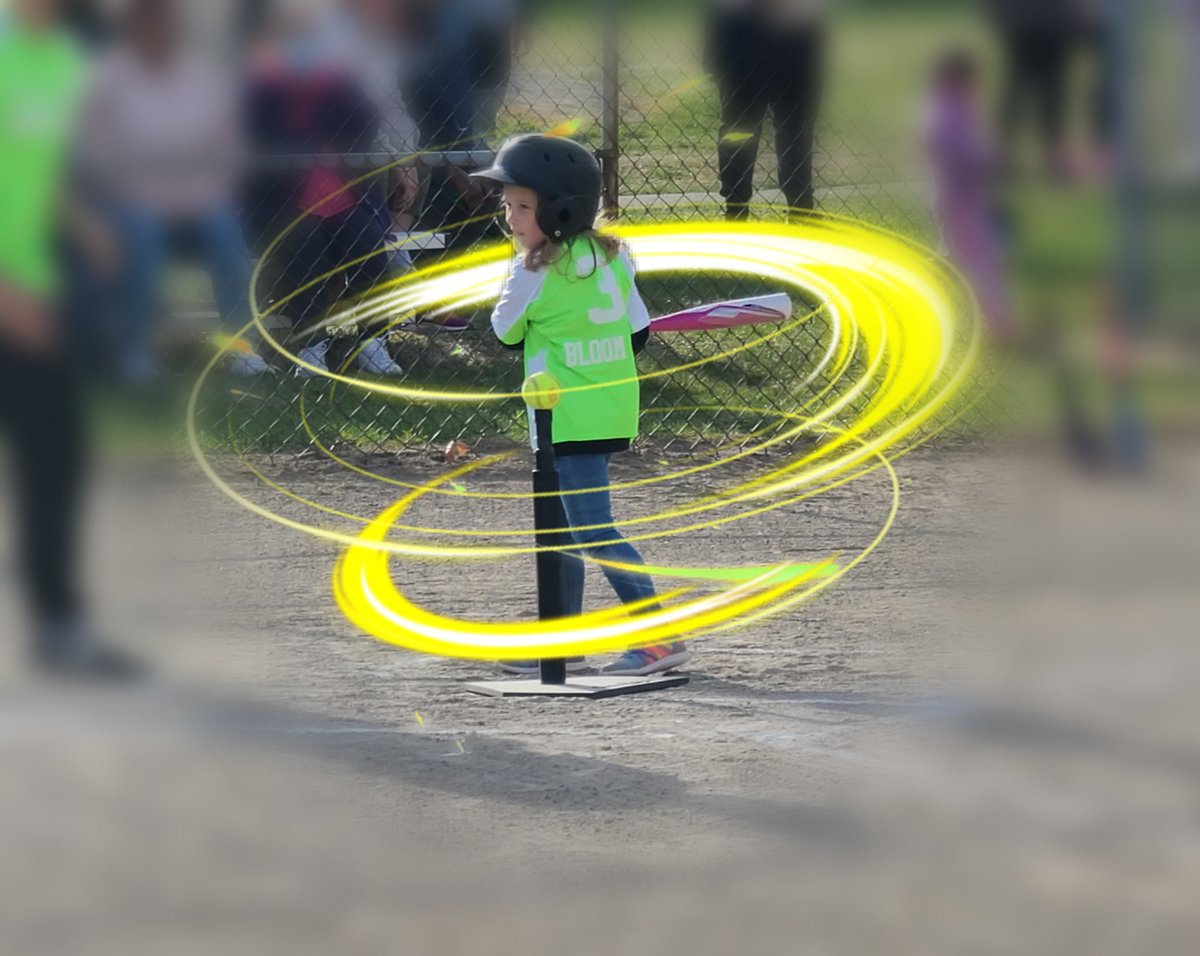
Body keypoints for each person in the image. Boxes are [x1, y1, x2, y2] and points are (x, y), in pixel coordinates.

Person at [471, 134, 691, 677]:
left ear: (561, 207)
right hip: (610, 407)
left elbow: (504, 333)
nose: (511, 216)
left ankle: (658, 638)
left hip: (563, 417)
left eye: (524, 206)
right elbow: (638, 333)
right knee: (567, 529)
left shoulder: (531, 271)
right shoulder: (613, 256)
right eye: (508, 205)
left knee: (591, 528)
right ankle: (562, 642)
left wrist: (524, 278)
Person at [0, 0, 138, 676]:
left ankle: (57, 623)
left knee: (56, 454)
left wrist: (83, 224)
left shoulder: (60, 61)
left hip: (36, 290)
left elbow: (39, 166)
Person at [77, 0, 272, 381]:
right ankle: (136, 349)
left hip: (198, 197)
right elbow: (96, 147)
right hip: (138, 198)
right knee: (141, 239)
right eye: (150, 24)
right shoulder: (110, 75)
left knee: (227, 236)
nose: (160, 33)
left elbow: (224, 141)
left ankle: (243, 348)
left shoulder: (199, 74)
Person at [243, 0, 402, 377]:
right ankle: (311, 348)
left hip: (341, 190)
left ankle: (371, 342)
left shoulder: (339, 75)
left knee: (367, 245)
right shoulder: (259, 78)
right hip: (282, 197)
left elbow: (365, 124)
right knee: (306, 252)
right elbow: (254, 134)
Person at [705, 0, 827, 219]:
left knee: (795, 129)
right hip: (742, 32)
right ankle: (736, 209)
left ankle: (801, 210)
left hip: (793, 32)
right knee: (740, 129)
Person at [923, 49, 1014, 340]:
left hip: (963, 200)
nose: (976, 88)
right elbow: (962, 156)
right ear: (955, 81)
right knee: (983, 263)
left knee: (957, 258)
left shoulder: (954, 109)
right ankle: (1000, 324)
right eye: (971, 81)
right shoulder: (947, 114)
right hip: (960, 203)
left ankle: (928, 293)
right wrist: (991, 160)